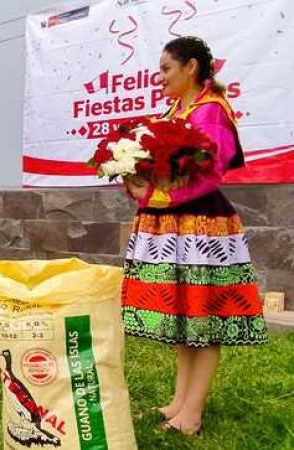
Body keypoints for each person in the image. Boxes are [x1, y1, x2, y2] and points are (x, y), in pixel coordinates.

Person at [122, 36, 268, 435]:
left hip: (201, 223)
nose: (160, 77)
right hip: (174, 222)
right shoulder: (175, 109)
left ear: (190, 67)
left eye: (167, 69)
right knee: (184, 314)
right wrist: (134, 173)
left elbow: (209, 172)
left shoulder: (211, 111)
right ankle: (179, 401)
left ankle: (194, 412)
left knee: (201, 317)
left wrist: (154, 192)